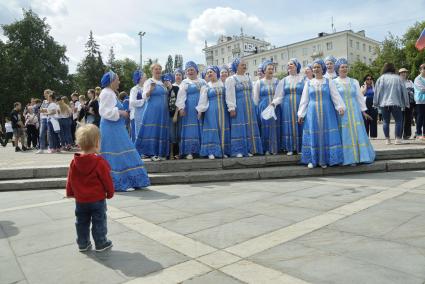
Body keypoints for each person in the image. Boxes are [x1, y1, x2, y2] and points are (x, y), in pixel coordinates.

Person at [99, 70, 150, 191]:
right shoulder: (107, 93)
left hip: (115, 127)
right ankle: (120, 181)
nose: (119, 81)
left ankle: (126, 180)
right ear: (112, 81)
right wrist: (120, 112)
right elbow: (104, 112)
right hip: (111, 128)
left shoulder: (110, 92)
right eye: (117, 79)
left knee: (123, 151)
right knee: (119, 152)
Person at [66, 124, 114, 252]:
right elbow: (107, 180)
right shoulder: (100, 162)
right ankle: (101, 243)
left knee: (81, 222)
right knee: (99, 221)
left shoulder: (74, 162)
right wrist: (110, 192)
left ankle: (83, 243)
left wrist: (70, 192)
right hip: (97, 199)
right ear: (97, 143)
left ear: (79, 144)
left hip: (80, 200)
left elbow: (70, 179)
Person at [297, 59, 346, 168]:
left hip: (327, 112)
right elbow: (304, 99)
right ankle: (312, 160)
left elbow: (335, 96)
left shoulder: (329, 81)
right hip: (312, 113)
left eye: (318, 67)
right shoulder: (308, 83)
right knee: (313, 134)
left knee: (326, 134)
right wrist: (301, 114)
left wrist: (340, 107)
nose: (316, 69)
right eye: (314, 67)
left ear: (322, 68)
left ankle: (325, 160)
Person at [333, 58, 375, 165]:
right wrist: (338, 108)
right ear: (338, 69)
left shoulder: (354, 81)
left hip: (355, 110)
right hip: (342, 112)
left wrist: (364, 111)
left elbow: (359, 97)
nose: (345, 68)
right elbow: (334, 97)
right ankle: (349, 158)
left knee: (357, 132)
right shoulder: (333, 82)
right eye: (342, 67)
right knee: (345, 134)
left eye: (346, 67)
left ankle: (360, 157)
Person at [225, 57, 263, 157]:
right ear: (236, 67)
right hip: (239, 106)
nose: (244, 66)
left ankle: (250, 149)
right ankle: (239, 150)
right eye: (242, 65)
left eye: (245, 65)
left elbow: (252, 94)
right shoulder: (231, 79)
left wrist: (254, 105)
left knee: (249, 126)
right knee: (239, 127)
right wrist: (231, 107)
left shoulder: (249, 78)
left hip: (249, 106)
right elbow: (230, 94)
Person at [135, 64, 170, 161]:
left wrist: (169, 87)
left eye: (159, 69)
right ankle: (151, 153)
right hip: (152, 111)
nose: (158, 71)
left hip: (163, 112)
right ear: (152, 71)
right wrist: (150, 90)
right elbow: (143, 96)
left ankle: (160, 152)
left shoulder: (162, 83)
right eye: (156, 69)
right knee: (152, 130)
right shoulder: (149, 81)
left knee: (160, 131)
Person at [197, 65, 230, 159]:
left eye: (211, 72)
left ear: (216, 73)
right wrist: (200, 110)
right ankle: (211, 151)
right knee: (212, 129)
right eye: (207, 73)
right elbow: (203, 100)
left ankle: (223, 151)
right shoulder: (206, 86)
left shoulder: (224, 84)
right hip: (210, 111)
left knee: (223, 128)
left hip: (223, 110)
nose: (209, 74)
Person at [176, 61, 206, 159]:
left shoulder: (202, 82)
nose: (190, 72)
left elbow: (206, 95)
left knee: (201, 127)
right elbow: (181, 96)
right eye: (188, 70)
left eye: (192, 70)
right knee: (190, 129)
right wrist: (181, 108)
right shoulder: (185, 82)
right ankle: (189, 151)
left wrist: (202, 107)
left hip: (201, 106)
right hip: (189, 108)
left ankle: (201, 150)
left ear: (196, 71)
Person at [374, 63, 409, 145]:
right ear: (393, 69)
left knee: (386, 121)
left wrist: (375, 103)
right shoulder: (398, 78)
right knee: (399, 121)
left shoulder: (381, 78)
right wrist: (406, 103)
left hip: (384, 103)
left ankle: (387, 140)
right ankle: (397, 139)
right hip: (396, 103)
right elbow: (404, 91)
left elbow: (376, 92)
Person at [275, 58, 305, 155]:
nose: (289, 66)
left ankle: (301, 147)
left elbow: (306, 93)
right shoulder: (284, 80)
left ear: (296, 66)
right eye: (288, 65)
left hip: (299, 104)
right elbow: (279, 95)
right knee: (288, 125)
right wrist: (274, 103)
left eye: (291, 64)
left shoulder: (303, 79)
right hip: (287, 106)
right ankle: (290, 148)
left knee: (300, 124)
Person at [253, 60, 280, 155]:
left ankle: (275, 148)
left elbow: (280, 95)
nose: (271, 70)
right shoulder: (259, 83)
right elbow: (256, 98)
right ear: (264, 70)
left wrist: (274, 103)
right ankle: (266, 149)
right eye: (269, 69)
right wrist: (258, 110)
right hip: (264, 108)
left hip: (275, 107)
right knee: (265, 127)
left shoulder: (277, 81)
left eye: (272, 69)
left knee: (274, 127)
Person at [164, 73, 181, 159]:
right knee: (172, 134)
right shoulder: (165, 92)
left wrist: (175, 115)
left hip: (177, 114)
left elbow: (179, 101)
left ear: (171, 80)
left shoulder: (176, 88)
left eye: (167, 80)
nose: (166, 82)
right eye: (164, 81)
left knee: (178, 133)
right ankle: (172, 154)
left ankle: (177, 153)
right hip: (169, 115)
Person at [129, 70, 146, 142]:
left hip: (143, 116)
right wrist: (143, 101)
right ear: (140, 78)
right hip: (135, 116)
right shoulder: (134, 89)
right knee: (135, 137)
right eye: (144, 77)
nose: (146, 78)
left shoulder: (145, 88)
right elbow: (132, 102)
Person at [399, 68, 415, 139]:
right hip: (401, 102)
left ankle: (407, 134)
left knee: (408, 118)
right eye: (402, 72)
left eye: (405, 72)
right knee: (400, 119)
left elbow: (414, 91)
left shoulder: (410, 82)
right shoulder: (398, 82)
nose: (404, 73)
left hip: (410, 102)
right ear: (399, 74)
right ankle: (399, 134)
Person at [360, 74, 378, 139]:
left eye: (370, 79)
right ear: (365, 80)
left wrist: (373, 86)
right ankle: (366, 135)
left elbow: (376, 94)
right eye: (367, 79)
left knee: (373, 119)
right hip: (365, 103)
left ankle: (373, 135)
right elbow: (362, 94)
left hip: (373, 104)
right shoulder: (362, 86)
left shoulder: (374, 87)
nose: (369, 80)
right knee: (366, 119)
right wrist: (365, 87)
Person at [36, 89, 51, 154]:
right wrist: (45, 110)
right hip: (43, 119)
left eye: (45, 93)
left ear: (48, 94)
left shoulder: (51, 101)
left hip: (49, 118)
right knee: (41, 134)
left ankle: (50, 147)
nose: (44, 95)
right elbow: (40, 110)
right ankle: (41, 148)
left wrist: (44, 110)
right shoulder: (44, 101)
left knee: (50, 134)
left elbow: (49, 110)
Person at [414, 63, 425, 139]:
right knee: (420, 117)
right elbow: (422, 89)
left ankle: (424, 134)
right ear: (420, 70)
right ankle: (418, 133)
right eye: (424, 69)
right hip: (420, 100)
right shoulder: (417, 79)